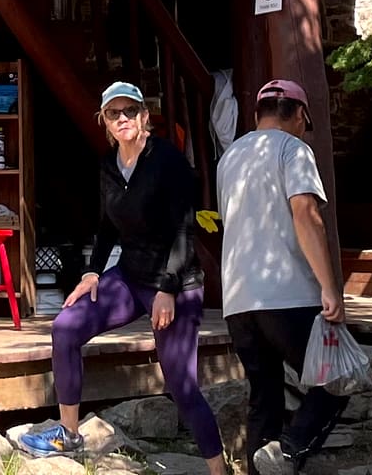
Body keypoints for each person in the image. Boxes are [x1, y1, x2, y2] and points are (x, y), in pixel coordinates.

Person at [17, 82, 224, 471]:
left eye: (130, 111)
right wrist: (93, 272)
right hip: (129, 277)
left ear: (145, 116)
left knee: (181, 384)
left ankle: (218, 469)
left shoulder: (169, 161)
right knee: (65, 328)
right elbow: (107, 226)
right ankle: (68, 434)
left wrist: (167, 288)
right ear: (105, 121)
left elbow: (183, 230)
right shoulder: (108, 166)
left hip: (176, 284)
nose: (123, 118)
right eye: (114, 113)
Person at [217, 80, 349, 475]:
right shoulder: (294, 149)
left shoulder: (229, 158)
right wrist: (329, 286)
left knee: (265, 397)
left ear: (258, 114)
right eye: (305, 121)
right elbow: (306, 215)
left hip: (238, 301)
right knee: (337, 378)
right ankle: (290, 451)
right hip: (287, 293)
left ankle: (266, 465)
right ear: (298, 114)